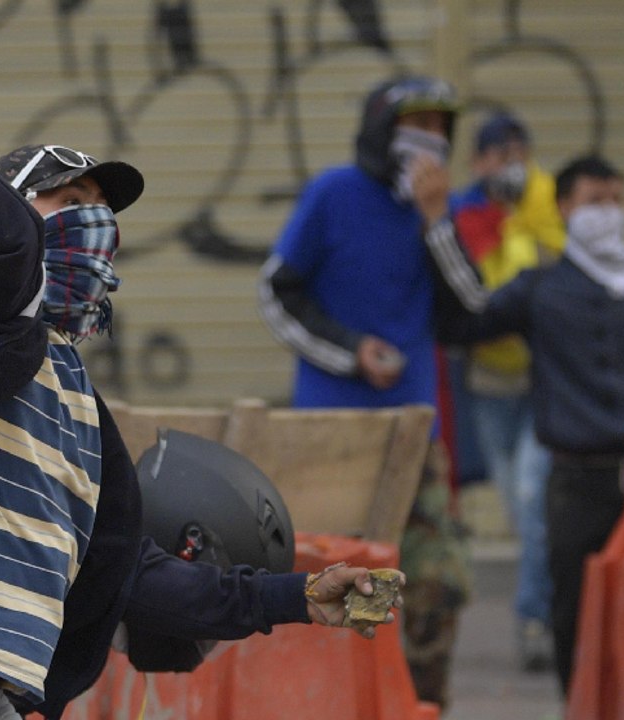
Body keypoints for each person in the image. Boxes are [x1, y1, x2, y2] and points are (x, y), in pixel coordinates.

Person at [0, 61, 402, 720]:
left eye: (104, 213)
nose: (98, 225)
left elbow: (134, 575)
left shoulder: (78, 408)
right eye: (71, 202)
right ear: (11, 212)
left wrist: (300, 597)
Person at [438, 155, 624, 695]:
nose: (607, 213)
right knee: (574, 609)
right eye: (594, 201)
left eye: (616, 200)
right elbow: (466, 321)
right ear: (564, 208)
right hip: (578, 478)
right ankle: (579, 701)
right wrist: (438, 233)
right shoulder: (538, 288)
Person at [257, 75, 486, 708]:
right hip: (332, 433)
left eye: (443, 128)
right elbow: (277, 292)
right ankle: (336, 702)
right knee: (344, 586)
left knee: (434, 585)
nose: (431, 140)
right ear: (384, 129)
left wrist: (438, 222)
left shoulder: (441, 208)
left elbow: (473, 310)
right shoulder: (335, 193)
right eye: (419, 125)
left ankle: (417, 703)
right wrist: (351, 352)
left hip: (417, 434)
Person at [447, 111, 565, 671]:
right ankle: (548, 605)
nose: (509, 162)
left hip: (542, 379)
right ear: (479, 162)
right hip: (489, 384)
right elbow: (472, 291)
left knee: (530, 498)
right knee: (524, 514)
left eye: (518, 150)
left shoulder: (548, 198)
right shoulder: (466, 211)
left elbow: (554, 268)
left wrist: (521, 218)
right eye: (497, 152)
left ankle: (535, 618)